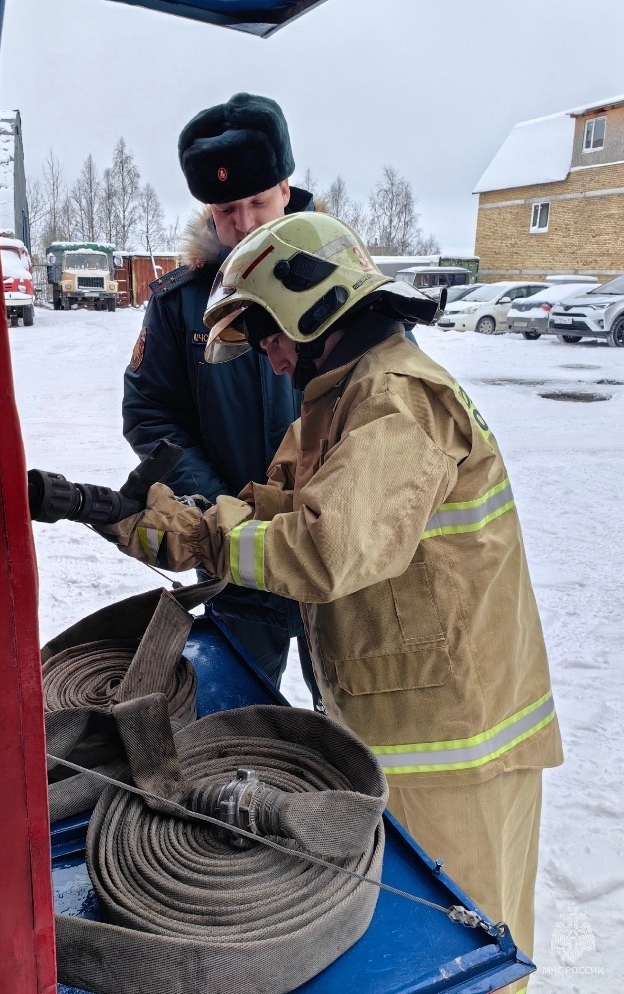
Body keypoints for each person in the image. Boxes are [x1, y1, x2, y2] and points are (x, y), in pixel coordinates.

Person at [102, 212, 563, 974]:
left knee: (458, 950)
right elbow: (291, 509)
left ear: (316, 311)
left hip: (457, 742)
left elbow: (329, 547)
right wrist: (185, 525)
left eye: (271, 337)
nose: (273, 362)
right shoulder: (341, 398)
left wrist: (212, 537)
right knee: (411, 945)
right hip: (406, 721)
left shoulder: (398, 402)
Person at [122, 92, 318, 698]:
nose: (247, 223)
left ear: (286, 188)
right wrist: (223, 506)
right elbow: (151, 413)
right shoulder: (180, 303)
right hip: (234, 556)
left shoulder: (344, 284)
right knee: (237, 717)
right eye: (229, 209)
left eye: (260, 202)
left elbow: (385, 405)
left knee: (355, 729)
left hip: (331, 552)